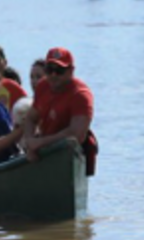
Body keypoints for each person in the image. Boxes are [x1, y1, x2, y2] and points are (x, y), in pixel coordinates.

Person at [23, 47, 98, 176]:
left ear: (71, 71)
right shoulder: (42, 86)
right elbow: (31, 118)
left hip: (70, 151)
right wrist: (30, 142)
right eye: (49, 70)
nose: (53, 75)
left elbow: (76, 135)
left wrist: (40, 143)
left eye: (59, 70)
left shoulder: (81, 95)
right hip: (45, 149)